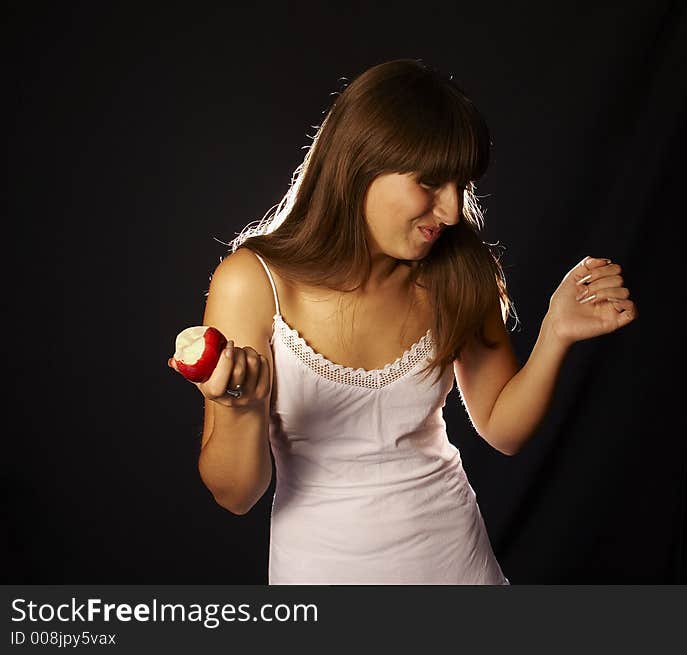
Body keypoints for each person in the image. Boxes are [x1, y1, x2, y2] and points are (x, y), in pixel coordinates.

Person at [169, 58, 637, 585]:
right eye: (431, 182)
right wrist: (241, 405)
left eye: (462, 184)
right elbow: (236, 495)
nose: (453, 211)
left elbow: (504, 430)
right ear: (359, 165)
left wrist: (556, 332)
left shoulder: (460, 270)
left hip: (458, 566)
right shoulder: (252, 282)